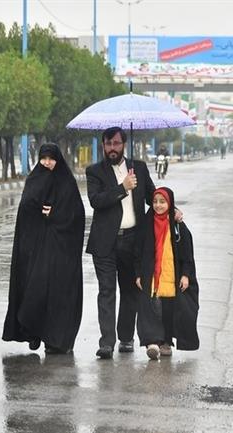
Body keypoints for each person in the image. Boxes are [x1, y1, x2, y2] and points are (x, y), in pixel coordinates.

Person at [2, 143, 85, 354]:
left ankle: (57, 340)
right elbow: (26, 210)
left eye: (51, 158)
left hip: (61, 250)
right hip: (38, 248)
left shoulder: (66, 181)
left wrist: (54, 214)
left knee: (60, 295)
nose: (48, 162)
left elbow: (76, 213)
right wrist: (39, 213)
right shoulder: (34, 179)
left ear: (58, 159)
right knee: (36, 291)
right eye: (44, 158)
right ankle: (34, 332)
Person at [86, 126, 157, 360]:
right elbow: (96, 201)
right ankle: (106, 342)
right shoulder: (94, 171)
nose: (112, 148)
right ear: (103, 146)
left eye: (116, 143)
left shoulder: (140, 168)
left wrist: (171, 208)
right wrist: (123, 188)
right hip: (105, 242)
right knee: (106, 291)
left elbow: (152, 197)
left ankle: (126, 337)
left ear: (123, 144)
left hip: (132, 241)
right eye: (108, 144)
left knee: (130, 291)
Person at [135, 187, 199, 360]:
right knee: (150, 308)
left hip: (171, 277)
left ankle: (166, 342)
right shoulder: (146, 222)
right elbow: (138, 251)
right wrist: (138, 274)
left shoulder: (178, 226)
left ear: (170, 203)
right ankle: (152, 342)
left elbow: (187, 254)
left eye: (162, 202)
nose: (158, 205)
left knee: (168, 311)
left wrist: (186, 275)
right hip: (151, 275)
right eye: (155, 202)